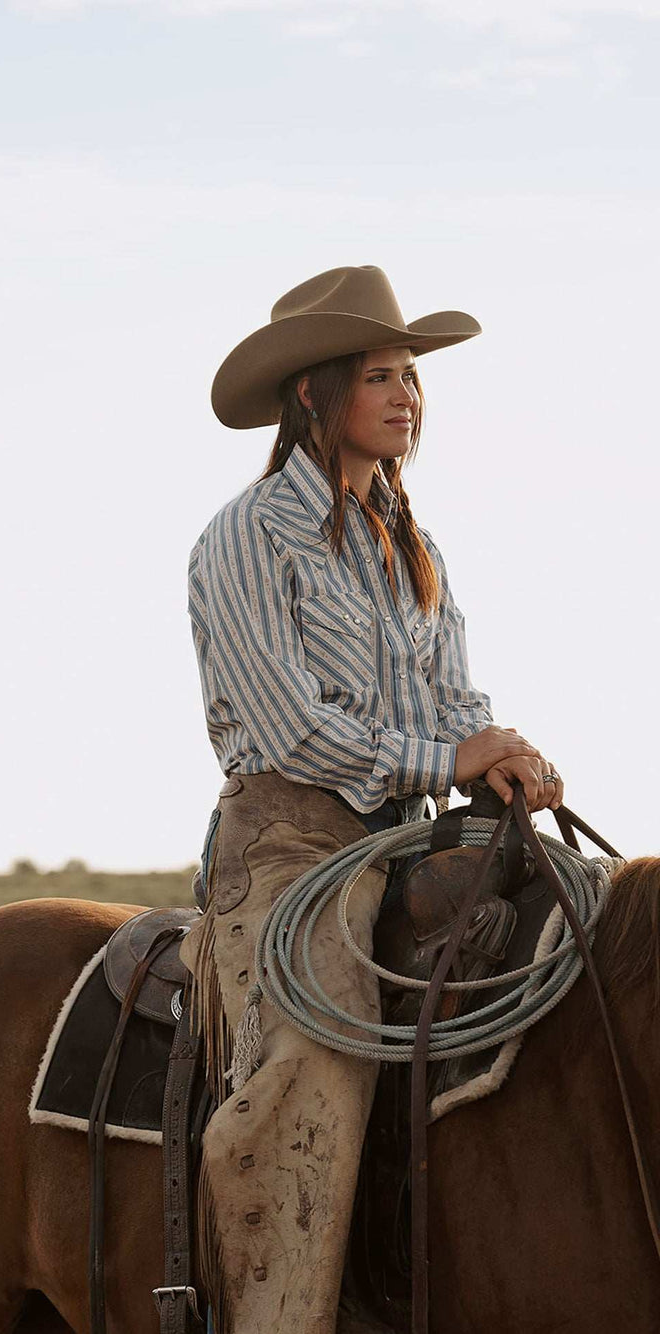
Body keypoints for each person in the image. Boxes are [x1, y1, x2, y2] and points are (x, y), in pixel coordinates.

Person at [178, 264, 563, 1334]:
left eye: (411, 376)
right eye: (379, 376)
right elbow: (296, 724)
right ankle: (279, 1316)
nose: (407, 396)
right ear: (314, 393)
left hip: (406, 832)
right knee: (327, 1034)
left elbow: (455, 693)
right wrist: (447, 757)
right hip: (292, 836)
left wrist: (499, 752)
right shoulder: (249, 535)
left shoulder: (416, 548)